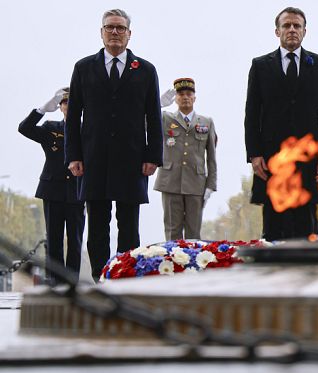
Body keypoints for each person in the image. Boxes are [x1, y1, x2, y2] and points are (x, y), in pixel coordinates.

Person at [65, 9, 163, 281]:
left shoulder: (145, 70)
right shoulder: (83, 67)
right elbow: (73, 116)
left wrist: (153, 155)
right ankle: (100, 277)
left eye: (121, 28)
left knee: (129, 223)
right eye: (110, 27)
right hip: (93, 157)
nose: (115, 32)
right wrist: (73, 155)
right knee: (97, 223)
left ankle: (126, 276)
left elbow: (153, 116)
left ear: (130, 34)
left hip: (132, 158)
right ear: (101, 32)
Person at [244, 7, 318, 241]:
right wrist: (254, 155)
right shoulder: (261, 65)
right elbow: (252, 113)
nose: (292, 30)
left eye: (297, 26)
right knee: (274, 229)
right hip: (272, 159)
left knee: (307, 230)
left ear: (305, 31)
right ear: (277, 31)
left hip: (309, 160)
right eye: (286, 25)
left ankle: (306, 274)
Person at [18, 88, 85, 282]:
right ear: (60, 107)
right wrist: (41, 110)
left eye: (72, 104)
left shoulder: (87, 129)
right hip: (52, 189)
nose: (68, 107)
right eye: (64, 103)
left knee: (75, 240)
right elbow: (24, 128)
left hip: (77, 190)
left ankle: (72, 282)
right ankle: (54, 281)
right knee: (54, 240)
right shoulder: (51, 127)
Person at [155, 78, 217, 240]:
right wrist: (156, 105)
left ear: (195, 97)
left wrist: (211, 184)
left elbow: (211, 157)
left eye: (189, 93)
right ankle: (173, 265)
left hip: (196, 183)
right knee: (172, 232)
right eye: (180, 94)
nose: (185, 97)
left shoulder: (206, 122)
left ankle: (192, 265)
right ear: (175, 98)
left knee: (193, 233)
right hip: (170, 181)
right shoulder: (164, 119)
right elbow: (142, 124)